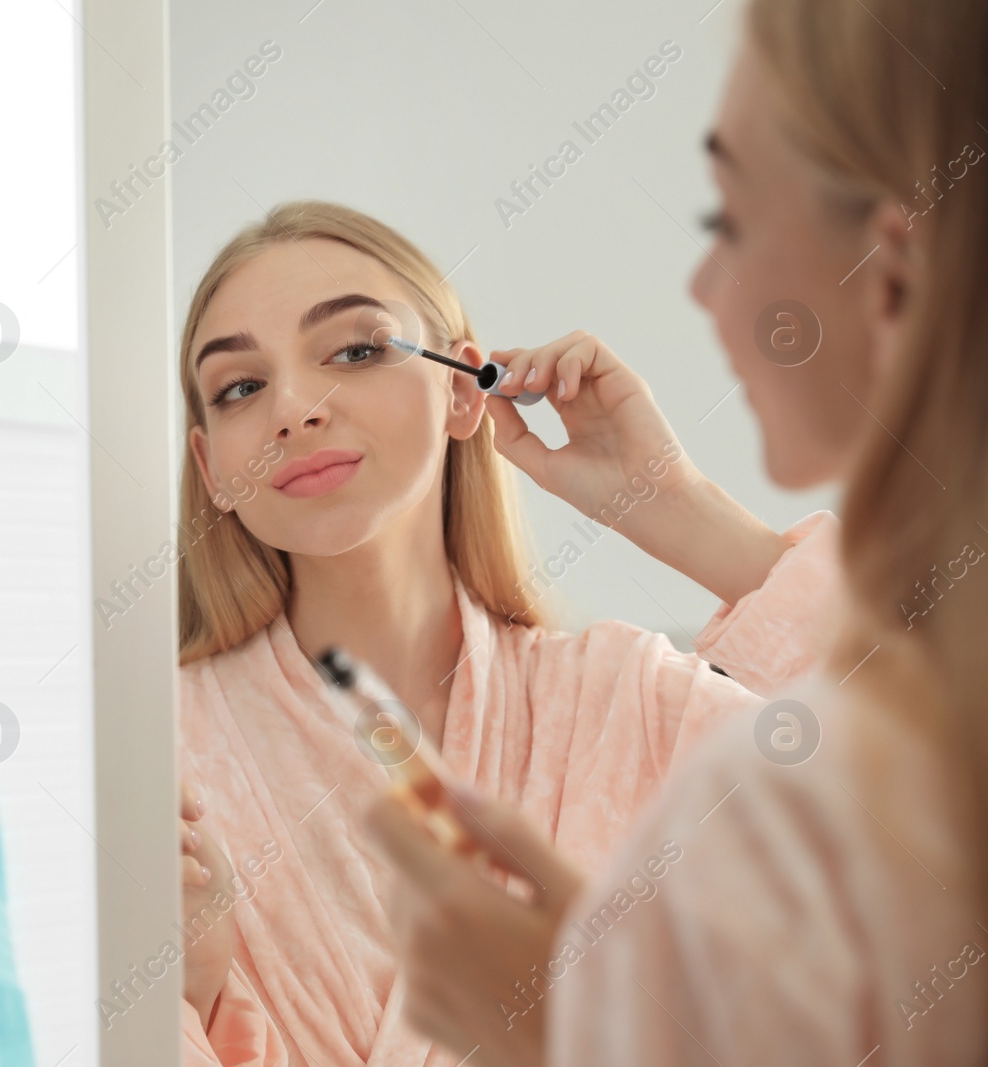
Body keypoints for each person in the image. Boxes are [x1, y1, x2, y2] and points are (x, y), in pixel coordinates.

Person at [365, 0, 988, 1063]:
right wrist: (669, 502)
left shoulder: (761, 777)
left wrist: (559, 1029)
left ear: (890, 274)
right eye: (234, 382)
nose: (703, 289)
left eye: (726, 224)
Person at [167, 201, 847, 1065]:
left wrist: (672, 503)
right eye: (240, 387)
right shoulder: (151, 753)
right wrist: (182, 994)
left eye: (355, 349)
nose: (293, 409)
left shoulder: (626, 703)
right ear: (212, 467)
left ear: (461, 389)